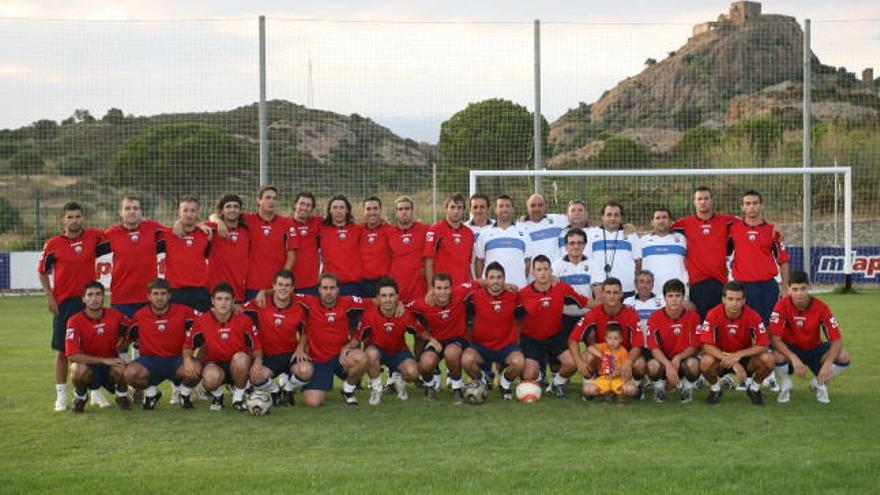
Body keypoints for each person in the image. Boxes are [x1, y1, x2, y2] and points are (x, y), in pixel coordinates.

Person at [38, 201, 105, 411]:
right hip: (65, 304)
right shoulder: (53, 244)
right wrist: (50, 297)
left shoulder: (94, 237)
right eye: (70, 217)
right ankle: (60, 396)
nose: (74, 220)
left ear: (83, 218)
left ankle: (95, 392)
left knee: (92, 348)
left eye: (78, 216)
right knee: (62, 351)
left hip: (90, 302)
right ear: (63, 219)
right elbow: (42, 271)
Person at [353, 277, 439, 405]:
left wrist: (433, 340)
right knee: (370, 354)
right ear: (378, 297)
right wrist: (346, 350)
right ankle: (377, 390)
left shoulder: (405, 314)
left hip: (398, 352)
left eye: (391, 295)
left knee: (413, 373)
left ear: (397, 296)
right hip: (377, 351)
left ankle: (400, 381)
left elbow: (420, 332)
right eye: (384, 296)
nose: (387, 299)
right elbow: (357, 338)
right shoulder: (369, 315)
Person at [770, 270, 850, 404]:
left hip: (814, 350)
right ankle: (785, 383)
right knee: (775, 354)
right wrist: (793, 357)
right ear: (788, 288)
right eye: (795, 289)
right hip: (792, 349)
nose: (799, 293)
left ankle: (818, 382)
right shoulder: (781, 306)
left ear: (809, 287)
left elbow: (837, 339)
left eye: (803, 288)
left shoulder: (821, 307)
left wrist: (828, 364)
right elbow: (774, 338)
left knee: (843, 356)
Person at [178, 283, 261, 411]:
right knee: (210, 379)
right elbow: (188, 345)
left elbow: (256, 346)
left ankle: (238, 398)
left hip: (238, 365)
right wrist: (188, 361)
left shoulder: (244, 320)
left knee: (241, 358)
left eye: (227, 299)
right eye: (219, 299)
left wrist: (258, 363)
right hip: (214, 364)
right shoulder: (202, 321)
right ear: (212, 301)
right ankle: (218, 395)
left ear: (233, 301)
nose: (223, 303)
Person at [517, 255, 589, 399]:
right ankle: (536, 378)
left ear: (551, 271)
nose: (543, 272)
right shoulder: (523, 294)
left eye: (545, 269)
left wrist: (608, 304)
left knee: (572, 363)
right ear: (533, 273)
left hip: (555, 336)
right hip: (532, 339)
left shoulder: (561, 288)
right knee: (528, 374)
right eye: (539, 269)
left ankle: (556, 384)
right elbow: (514, 316)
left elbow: (584, 301)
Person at [297, 273, 372, 406]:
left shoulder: (348, 302)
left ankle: (348, 390)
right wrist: (263, 292)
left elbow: (375, 302)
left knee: (363, 358)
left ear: (338, 289)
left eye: (332, 288)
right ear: (319, 289)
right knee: (312, 402)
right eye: (325, 288)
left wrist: (399, 304)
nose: (328, 292)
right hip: (318, 361)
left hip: (341, 358)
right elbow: (282, 294)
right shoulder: (309, 302)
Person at [123, 278, 196, 409]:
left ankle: (184, 395)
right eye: (155, 294)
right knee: (129, 373)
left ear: (169, 295)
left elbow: (205, 324)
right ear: (149, 297)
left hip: (176, 360)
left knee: (196, 368)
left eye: (163, 293)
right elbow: (128, 339)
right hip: (150, 361)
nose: (159, 297)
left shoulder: (184, 311)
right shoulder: (140, 315)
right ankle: (152, 394)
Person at [243, 270, 312, 407]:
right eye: (280, 284)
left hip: (290, 355)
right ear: (273, 286)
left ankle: (288, 390)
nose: (283, 288)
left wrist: (300, 348)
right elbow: (238, 310)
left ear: (292, 288)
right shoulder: (260, 302)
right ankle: (274, 391)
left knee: (306, 370)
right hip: (268, 356)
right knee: (255, 377)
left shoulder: (300, 306)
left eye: (287, 285)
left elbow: (305, 330)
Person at [699, 281, 774, 405]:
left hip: (745, 359)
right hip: (721, 358)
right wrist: (731, 360)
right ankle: (716, 389)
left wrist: (739, 355)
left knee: (769, 359)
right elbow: (706, 345)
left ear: (744, 300)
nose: (734, 303)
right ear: (723, 299)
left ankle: (754, 388)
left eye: (738, 299)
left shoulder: (753, 315)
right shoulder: (713, 314)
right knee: (705, 362)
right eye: (730, 299)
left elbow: (764, 345)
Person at [460, 262, 526, 400]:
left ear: (504, 279)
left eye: (499, 277)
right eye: (492, 277)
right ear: (486, 280)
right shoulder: (475, 296)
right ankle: (483, 380)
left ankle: (505, 384)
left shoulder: (514, 296)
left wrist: (517, 342)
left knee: (519, 362)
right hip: (481, 347)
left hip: (507, 347)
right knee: (466, 359)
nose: (495, 281)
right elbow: (457, 293)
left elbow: (520, 320)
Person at [568, 278, 644, 395]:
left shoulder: (631, 314)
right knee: (586, 356)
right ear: (602, 294)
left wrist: (628, 361)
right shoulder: (593, 313)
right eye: (608, 292)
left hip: (623, 357)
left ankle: (635, 386)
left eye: (615, 292)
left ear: (621, 294)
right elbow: (573, 339)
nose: (612, 296)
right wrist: (579, 362)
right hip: (603, 358)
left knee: (640, 363)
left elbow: (638, 344)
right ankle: (590, 382)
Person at [410, 274, 478, 402]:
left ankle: (457, 388)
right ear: (432, 289)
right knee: (425, 363)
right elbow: (404, 308)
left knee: (451, 353)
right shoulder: (423, 303)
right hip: (436, 341)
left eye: (446, 288)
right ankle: (430, 387)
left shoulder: (460, 293)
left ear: (451, 288)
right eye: (439, 288)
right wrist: (430, 339)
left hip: (457, 338)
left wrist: (506, 286)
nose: (443, 292)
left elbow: (479, 283)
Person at [64, 281, 131, 413]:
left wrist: (122, 346)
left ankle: (122, 396)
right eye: (90, 295)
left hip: (110, 365)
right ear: (84, 299)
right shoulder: (74, 321)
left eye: (98, 294)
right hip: (88, 366)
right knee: (77, 370)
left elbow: (132, 332)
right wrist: (103, 360)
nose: (94, 299)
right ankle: (80, 397)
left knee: (125, 368)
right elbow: (72, 355)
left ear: (103, 297)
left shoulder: (115, 315)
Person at [671, 186, 735, 320]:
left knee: (720, 324)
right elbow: (661, 228)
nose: (703, 202)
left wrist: (773, 225)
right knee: (700, 325)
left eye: (706, 198)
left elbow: (751, 223)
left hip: (720, 282)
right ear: (694, 201)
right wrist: (625, 227)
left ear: (712, 200)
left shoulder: (727, 221)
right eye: (699, 199)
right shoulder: (683, 224)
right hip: (697, 284)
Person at [729, 190, 790, 324]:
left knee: (769, 326)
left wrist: (785, 288)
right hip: (741, 286)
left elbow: (783, 260)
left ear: (761, 206)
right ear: (742, 207)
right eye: (748, 203)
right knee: (742, 325)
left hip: (766, 286)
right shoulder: (733, 228)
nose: (752, 206)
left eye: (755, 203)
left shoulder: (773, 230)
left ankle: (769, 346)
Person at [101, 196, 164, 318]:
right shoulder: (110, 233)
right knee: (122, 337)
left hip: (149, 297)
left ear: (141, 212)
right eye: (127, 208)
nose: (132, 211)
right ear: (120, 212)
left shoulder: (153, 228)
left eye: (135, 208)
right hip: (121, 298)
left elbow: (177, 232)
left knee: (148, 337)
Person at [645, 279, 702, 403]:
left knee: (694, 364)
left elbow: (695, 345)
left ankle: (687, 388)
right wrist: (668, 364)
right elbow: (654, 348)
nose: (674, 299)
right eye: (670, 296)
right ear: (664, 298)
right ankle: (659, 388)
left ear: (683, 297)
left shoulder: (694, 317)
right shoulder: (655, 317)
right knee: (652, 365)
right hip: (663, 362)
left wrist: (678, 358)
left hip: (683, 361)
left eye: (677, 296)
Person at [157, 196, 212, 312]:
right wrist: (177, 223)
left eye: (193, 211)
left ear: (198, 212)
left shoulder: (206, 233)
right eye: (185, 210)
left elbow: (219, 220)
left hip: (199, 291)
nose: (189, 214)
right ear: (179, 212)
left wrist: (200, 225)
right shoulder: (167, 234)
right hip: (176, 292)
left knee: (201, 328)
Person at [242, 186, 296, 300]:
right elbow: (219, 216)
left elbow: (291, 257)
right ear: (258, 200)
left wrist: (280, 283)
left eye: (274, 198)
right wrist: (217, 220)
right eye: (268, 198)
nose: (272, 201)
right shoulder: (246, 220)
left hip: (276, 288)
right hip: (252, 285)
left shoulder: (286, 223)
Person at [585, 201, 641, 298]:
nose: (612, 218)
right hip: (600, 289)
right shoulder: (591, 234)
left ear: (621, 217)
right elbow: (587, 261)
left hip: (626, 289)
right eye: (609, 215)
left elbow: (638, 262)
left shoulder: (630, 234)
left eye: (616, 215)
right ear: (602, 217)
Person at [474, 195, 532, 289]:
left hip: (518, 287)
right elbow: (479, 261)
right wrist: (483, 283)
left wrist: (520, 278)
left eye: (508, 206)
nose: (504, 209)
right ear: (495, 210)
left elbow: (528, 261)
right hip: (492, 290)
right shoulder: (485, 232)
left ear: (513, 209)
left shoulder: (524, 231)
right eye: (501, 206)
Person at [424, 194, 474, 287]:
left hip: (463, 287)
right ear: (446, 208)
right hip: (443, 289)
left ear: (464, 210)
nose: (456, 211)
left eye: (459, 208)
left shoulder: (469, 233)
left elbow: (467, 264)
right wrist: (430, 287)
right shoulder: (435, 230)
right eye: (452, 207)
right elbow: (428, 262)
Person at [207, 194, 250, 303]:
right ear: (222, 210)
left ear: (240, 211)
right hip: (216, 292)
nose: (232, 210)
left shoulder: (247, 231)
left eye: (236, 207)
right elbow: (196, 225)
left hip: (239, 291)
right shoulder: (212, 229)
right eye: (228, 206)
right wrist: (218, 221)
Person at [319, 195, 365, 296]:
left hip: (353, 285)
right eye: (335, 208)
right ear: (329, 211)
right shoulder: (321, 229)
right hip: (330, 286)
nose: (338, 211)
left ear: (347, 210)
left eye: (341, 207)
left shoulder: (358, 229)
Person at [552, 228, 593, 336]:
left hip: (586, 315)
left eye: (580, 243)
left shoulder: (593, 264)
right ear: (566, 246)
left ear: (584, 245)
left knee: (593, 345)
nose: (576, 246)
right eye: (572, 243)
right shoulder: (556, 266)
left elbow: (598, 294)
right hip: (564, 316)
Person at [580, 324, 637, 403]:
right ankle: (607, 393)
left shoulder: (623, 351)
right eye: (609, 338)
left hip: (618, 379)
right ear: (605, 338)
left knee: (631, 389)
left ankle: (619, 395)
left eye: (615, 338)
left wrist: (618, 372)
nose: (612, 341)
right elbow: (589, 348)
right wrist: (602, 356)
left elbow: (625, 369)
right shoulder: (603, 347)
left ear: (621, 339)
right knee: (586, 390)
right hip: (604, 378)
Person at [388, 196, 429, 303]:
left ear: (412, 211)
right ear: (396, 213)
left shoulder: (425, 230)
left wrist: (427, 269)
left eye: (407, 209)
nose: (404, 212)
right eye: (400, 209)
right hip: (398, 286)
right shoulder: (388, 232)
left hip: (418, 287)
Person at [640, 207, 688, 296]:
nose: (661, 221)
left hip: (676, 294)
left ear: (670, 221)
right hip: (651, 294)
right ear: (652, 222)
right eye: (657, 218)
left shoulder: (682, 239)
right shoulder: (643, 241)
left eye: (664, 217)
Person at [518, 193, 569, 263]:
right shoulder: (520, 227)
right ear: (527, 207)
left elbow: (577, 218)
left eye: (540, 205)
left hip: (554, 273)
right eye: (533, 205)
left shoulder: (557, 220)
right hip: (533, 273)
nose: (536, 209)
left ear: (545, 206)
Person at [290, 192, 323, 295]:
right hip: (289, 284)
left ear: (312, 209)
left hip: (311, 284)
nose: (304, 208)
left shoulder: (318, 222)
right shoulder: (284, 223)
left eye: (308, 205)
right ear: (295, 205)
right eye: (302, 204)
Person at [359, 196, 391, 298]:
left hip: (383, 283)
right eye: (368, 209)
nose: (372, 212)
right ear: (363, 211)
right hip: (362, 283)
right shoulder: (357, 230)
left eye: (375, 208)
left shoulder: (390, 230)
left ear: (380, 210)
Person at [623, 270, 665, 338]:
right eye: (641, 282)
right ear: (636, 285)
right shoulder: (628, 302)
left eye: (648, 282)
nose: (645, 285)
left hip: (656, 341)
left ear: (652, 285)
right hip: (635, 342)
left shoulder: (663, 300)